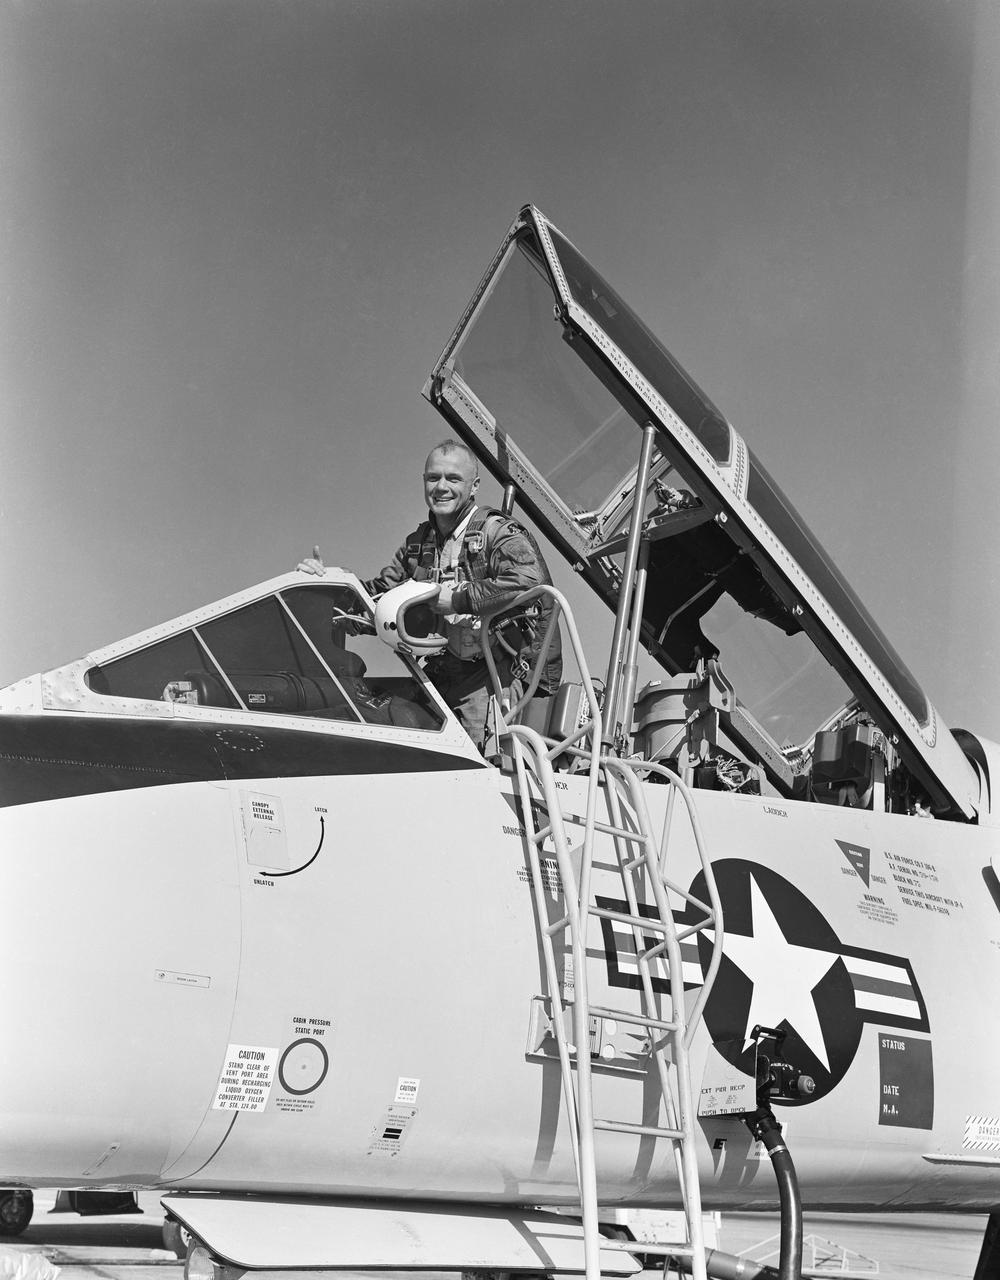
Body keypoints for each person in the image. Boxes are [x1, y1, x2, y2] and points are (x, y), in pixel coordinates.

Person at [300, 439, 562, 745]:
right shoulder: (419, 544)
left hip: (491, 675)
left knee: (478, 760)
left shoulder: (496, 532)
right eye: (433, 477)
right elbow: (376, 600)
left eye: (453, 478)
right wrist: (329, 585)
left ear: (474, 486)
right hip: (441, 670)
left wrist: (458, 600)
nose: (441, 487)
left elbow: (529, 579)